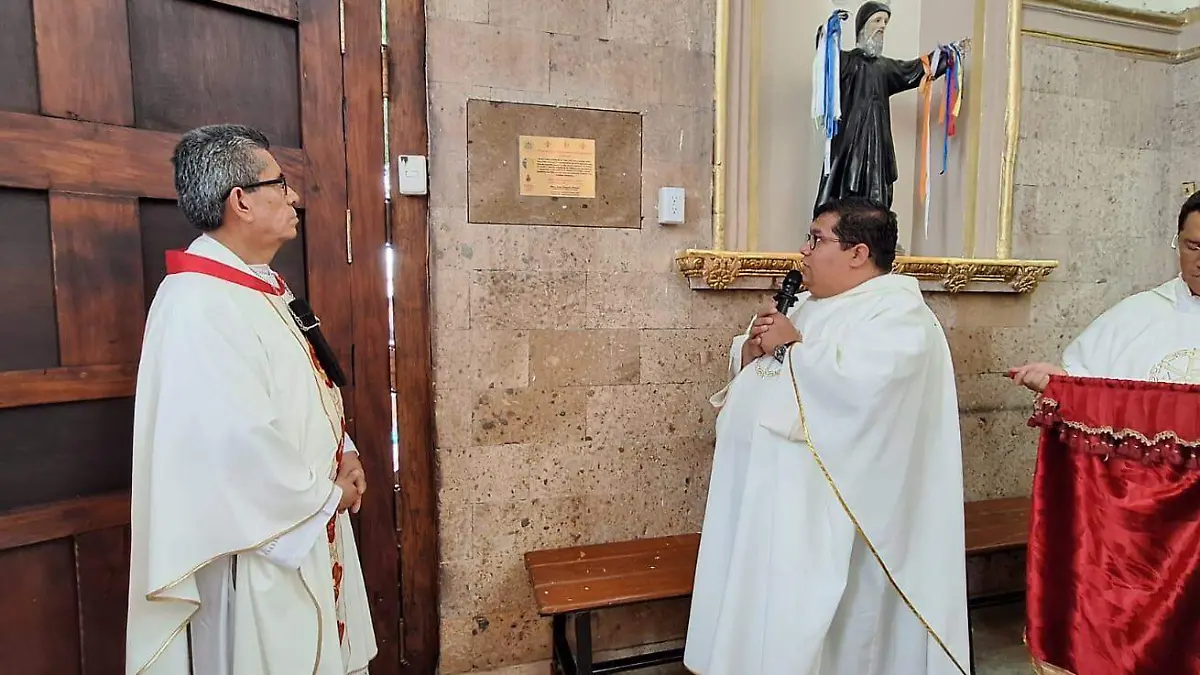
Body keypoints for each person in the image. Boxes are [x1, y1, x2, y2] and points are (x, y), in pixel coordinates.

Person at [125, 124, 377, 675]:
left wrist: (346, 451)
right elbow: (233, 442)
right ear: (240, 200)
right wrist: (323, 496)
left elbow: (303, 385)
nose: (293, 197)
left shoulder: (255, 284)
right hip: (262, 541)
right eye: (280, 184)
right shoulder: (198, 303)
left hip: (312, 515)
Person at [684, 197, 971, 675]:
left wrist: (792, 348)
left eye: (817, 239)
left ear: (858, 252)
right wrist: (752, 350)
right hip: (763, 497)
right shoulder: (811, 305)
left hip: (822, 514)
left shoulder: (899, 315)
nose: (803, 250)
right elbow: (775, 370)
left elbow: (863, 391)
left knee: (809, 631)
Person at [1010, 192, 1200, 391]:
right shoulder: (1134, 315)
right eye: (1194, 247)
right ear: (1177, 243)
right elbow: (1085, 385)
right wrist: (1061, 383)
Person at [813, 1, 968, 213]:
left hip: (878, 143)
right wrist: (829, 32)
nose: (882, 26)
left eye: (885, 22)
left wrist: (946, 56)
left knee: (877, 194)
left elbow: (914, 70)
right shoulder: (848, 62)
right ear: (862, 26)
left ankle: (876, 236)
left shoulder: (885, 67)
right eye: (877, 20)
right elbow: (828, 61)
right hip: (850, 143)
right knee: (845, 194)